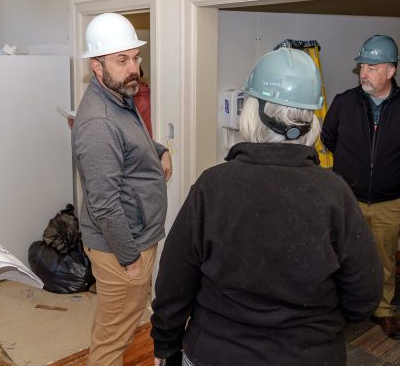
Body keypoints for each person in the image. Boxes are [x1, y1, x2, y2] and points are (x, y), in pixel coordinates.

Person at [150, 48, 382, 366]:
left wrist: (165, 344)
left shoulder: (212, 186)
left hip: (216, 353)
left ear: (251, 112)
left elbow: (174, 283)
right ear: (312, 120)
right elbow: (364, 294)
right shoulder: (335, 193)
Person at [72, 12, 172, 366]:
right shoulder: (98, 122)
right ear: (97, 67)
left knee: (115, 327)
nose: (134, 68)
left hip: (133, 236)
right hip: (121, 247)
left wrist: (159, 150)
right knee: (113, 341)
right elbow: (104, 203)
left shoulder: (119, 96)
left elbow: (130, 142)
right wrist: (129, 260)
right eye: (122, 60)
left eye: (136, 57)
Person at [321, 34, 400, 340]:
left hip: (389, 203)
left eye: (372, 67)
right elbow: (329, 138)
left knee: (384, 260)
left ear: (391, 71)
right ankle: (342, 309)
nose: (364, 73)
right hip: (348, 200)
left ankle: (384, 311)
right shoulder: (344, 102)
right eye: (362, 67)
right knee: (343, 258)